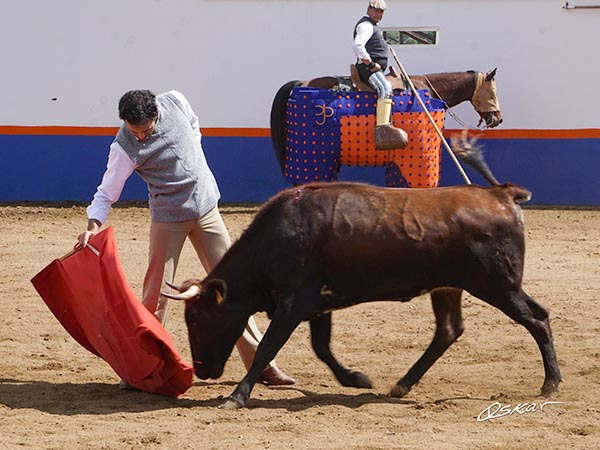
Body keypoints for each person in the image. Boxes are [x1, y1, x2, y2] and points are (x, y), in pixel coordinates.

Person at [77, 89, 295, 386]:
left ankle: (262, 364)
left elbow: (194, 126)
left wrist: (195, 163)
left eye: (146, 130)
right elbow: (107, 192)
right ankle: (143, 367)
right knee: (155, 297)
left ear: (157, 114)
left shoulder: (176, 101)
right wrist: (92, 225)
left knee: (234, 289)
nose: (141, 137)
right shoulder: (124, 147)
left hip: (206, 209)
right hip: (168, 219)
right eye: (134, 131)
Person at [353, 0, 408, 150]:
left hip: (374, 68)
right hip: (367, 69)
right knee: (386, 89)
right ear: (369, 9)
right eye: (376, 10)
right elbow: (358, 45)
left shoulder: (373, 26)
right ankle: (382, 129)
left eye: (381, 12)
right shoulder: (366, 25)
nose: (379, 14)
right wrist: (370, 64)